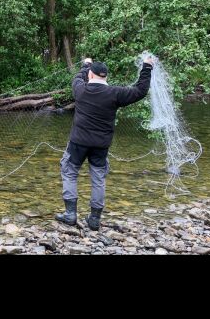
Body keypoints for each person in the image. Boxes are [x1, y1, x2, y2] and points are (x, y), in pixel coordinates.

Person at [55, 54, 155, 230]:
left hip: (78, 142)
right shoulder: (115, 93)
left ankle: (70, 214)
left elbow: (78, 77)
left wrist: (86, 65)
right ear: (105, 76)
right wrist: (147, 67)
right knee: (98, 179)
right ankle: (94, 219)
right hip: (101, 145)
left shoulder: (80, 89)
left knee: (69, 172)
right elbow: (141, 90)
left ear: (91, 75)